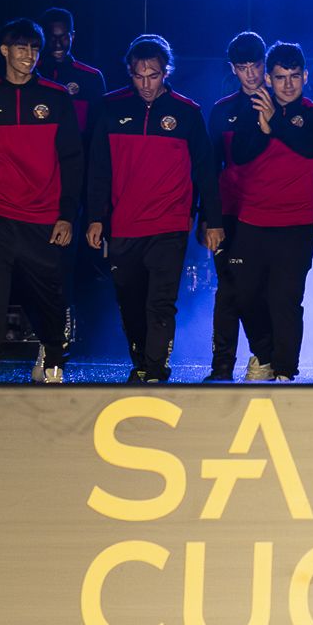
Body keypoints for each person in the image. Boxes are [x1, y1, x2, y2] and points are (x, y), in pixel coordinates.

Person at [85, 35, 222, 383]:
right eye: (139, 76)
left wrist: (211, 219)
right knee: (130, 302)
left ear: (166, 72)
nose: (146, 84)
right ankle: (143, 363)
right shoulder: (110, 108)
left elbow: (206, 169)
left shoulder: (187, 112)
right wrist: (96, 218)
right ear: (129, 73)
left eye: (154, 76)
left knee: (160, 302)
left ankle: (156, 369)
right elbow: (98, 167)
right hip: (124, 224)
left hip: (169, 224)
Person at [0, 17, 83, 384]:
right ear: (5, 51)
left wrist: (66, 215)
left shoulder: (57, 97)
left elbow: (73, 159)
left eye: (33, 48)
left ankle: (54, 362)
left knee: (50, 296)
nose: (28, 55)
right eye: (20, 48)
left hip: (45, 219)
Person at [227, 42, 313, 382]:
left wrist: (276, 124)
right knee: (244, 296)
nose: (288, 84)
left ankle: (285, 372)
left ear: (305, 76)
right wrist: (263, 127)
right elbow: (240, 156)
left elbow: (309, 147)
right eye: (280, 77)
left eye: (294, 77)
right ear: (268, 78)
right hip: (251, 220)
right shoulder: (249, 110)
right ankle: (264, 355)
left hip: (295, 223)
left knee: (285, 300)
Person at [204, 32, 276, 379]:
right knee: (229, 289)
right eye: (243, 67)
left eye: (256, 65)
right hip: (231, 215)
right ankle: (222, 365)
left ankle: (265, 356)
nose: (251, 74)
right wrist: (209, 218)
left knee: (262, 290)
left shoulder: (284, 104)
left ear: (265, 64)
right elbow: (209, 168)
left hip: (273, 215)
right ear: (233, 69)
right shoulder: (222, 111)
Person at [38, 7, 109, 133]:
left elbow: (99, 127)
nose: (58, 44)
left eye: (63, 37)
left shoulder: (91, 77)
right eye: (52, 37)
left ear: (73, 36)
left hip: (79, 151)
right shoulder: (32, 73)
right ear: (43, 37)